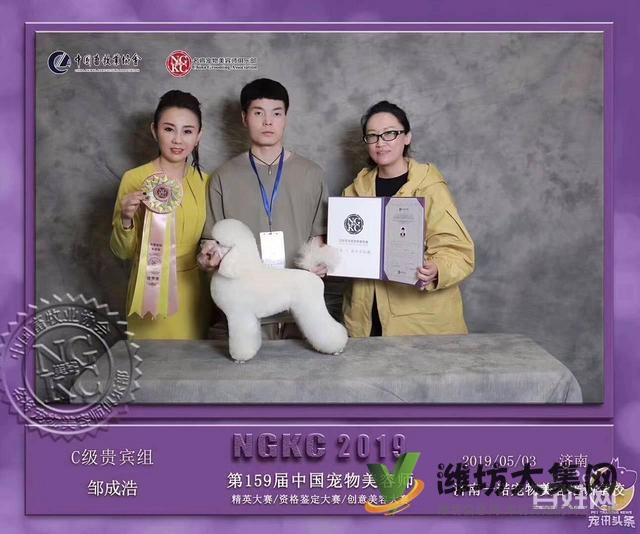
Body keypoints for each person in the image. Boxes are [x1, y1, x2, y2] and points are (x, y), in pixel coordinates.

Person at [197, 78, 328, 337]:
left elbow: (319, 238)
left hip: (300, 312)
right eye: (258, 113)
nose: (268, 122)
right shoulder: (223, 177)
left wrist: (319, 261)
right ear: (244, 118)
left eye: (276, 113)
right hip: (246, 310)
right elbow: (210, 241)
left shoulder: (312, 174)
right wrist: (208, 256)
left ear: (285, 117)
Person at [342, 101, 475, 337]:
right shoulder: (353, 192)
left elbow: (459, 253)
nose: (380, 142)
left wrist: (437, 269)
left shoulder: (430, 188)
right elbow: (346, 251)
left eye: (390, 133)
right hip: (365, 322)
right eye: (372, 136)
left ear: (407, 137)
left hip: (419, 322)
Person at [110, 90, 211, 339]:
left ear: (199, 136)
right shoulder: (133, 179)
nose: (178, 140)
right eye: (169, 129)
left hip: (193, 293)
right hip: (148, 290)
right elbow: (122, 252)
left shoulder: (207, 183)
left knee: (192, 362)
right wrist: (125, 219)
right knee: (150, 361)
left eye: (187, 131)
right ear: (155, 131)